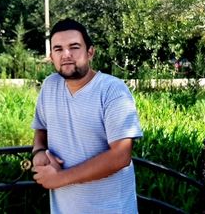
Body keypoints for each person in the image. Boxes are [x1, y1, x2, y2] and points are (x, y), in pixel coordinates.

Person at [31, 18, 143, 213]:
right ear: (51, 56)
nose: (66, 55)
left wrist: (59, 179)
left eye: (74, 47)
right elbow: (41, 129)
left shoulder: (112, 90)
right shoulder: (50, 86)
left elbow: (121, 155)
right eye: (58, 49)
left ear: (90, 52)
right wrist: (39, 152)